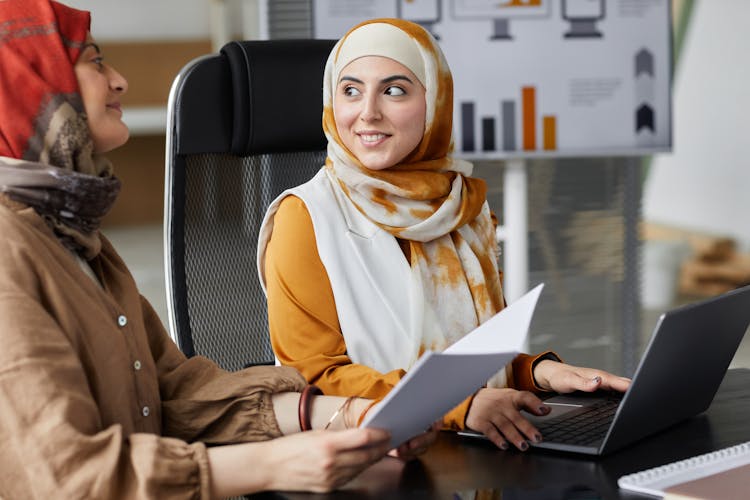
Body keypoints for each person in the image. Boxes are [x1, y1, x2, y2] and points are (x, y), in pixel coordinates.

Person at [0, 2, 436, 498]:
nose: (118, 81)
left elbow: (175, 395)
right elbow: (67, 478)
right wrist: (270, 466)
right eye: (96, 61)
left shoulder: (73, 238)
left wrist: (342, 414)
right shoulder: (8, 251)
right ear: (29, 82)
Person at [258, 18, 631, 452]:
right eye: (351, 90)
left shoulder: (461, 206)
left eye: (394, 90)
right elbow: (313, 376)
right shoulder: (306, 217)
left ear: (436, 102)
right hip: (372, 454)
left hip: (475, 443)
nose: (368, 112)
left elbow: (468, 357)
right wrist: (457, 403)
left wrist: (538, 372)